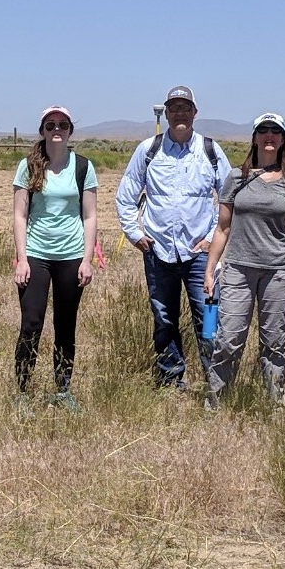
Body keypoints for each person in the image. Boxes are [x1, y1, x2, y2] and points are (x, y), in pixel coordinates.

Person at [114, 85, 232, 389]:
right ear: (167, 113)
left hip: (201, 256)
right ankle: (170, 379)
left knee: (208, 320)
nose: (180, 113)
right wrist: (135, 233)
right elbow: (126, 197)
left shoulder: (210, 150)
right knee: (164, 319)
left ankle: (215, 382)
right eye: (174, 108)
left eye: (185, 107)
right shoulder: (149, 150)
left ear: (195, 112)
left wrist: (212, 238)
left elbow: (230, 199)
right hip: (158, 252)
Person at [203, 114, 285, 409]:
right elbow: (222, 228)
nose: (269, 135)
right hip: (238, 268)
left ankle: (275, 405)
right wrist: (210, 269)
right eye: (263, 130)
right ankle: (216, 404)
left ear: (282, 140)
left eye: (275, 131)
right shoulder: (236, 178)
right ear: (253, 138)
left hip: (277, 272)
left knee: (274, 342)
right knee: (228, 339)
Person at [12, 105, 100, 409]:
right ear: (42, 131)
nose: (57, 129)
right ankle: (23, 392)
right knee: (31, 323)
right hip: (36, 254)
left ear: (70, 130)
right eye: (50, 125)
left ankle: (62, 390)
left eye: (62, 124)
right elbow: (19, 215)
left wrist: (87, 259)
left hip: (71, 255)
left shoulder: (83, 167)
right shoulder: (28, 166)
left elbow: (89, 216)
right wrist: (21, 258)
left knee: (66, 324)